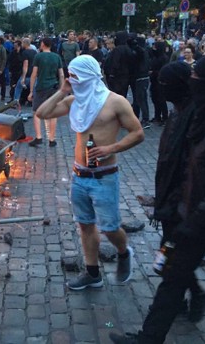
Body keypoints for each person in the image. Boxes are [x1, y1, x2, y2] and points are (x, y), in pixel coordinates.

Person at [110, 55, 205, 344]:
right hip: (196, 217)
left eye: (198, 81)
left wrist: (197, 217)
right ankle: (149, 338)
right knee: (172, 279)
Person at [36, 55, 144, 290]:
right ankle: (92, 273)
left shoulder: (115, 102)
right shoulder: (74, 101)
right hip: (79, 175)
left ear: (89, 75)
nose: (73, 80)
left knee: (109, 227)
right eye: (71, 75)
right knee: (85, 224)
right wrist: (62, 90)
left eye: (76, 76)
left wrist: (111, 148)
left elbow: (138, 133)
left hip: (104, 176)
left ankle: (124, 253)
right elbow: (42, 113)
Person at [152, 62, 205, 322]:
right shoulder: (178, 113)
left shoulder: (197, 115)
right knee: (173, 254)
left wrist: (177, 199)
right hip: (171, 199)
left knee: (172, 256)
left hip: (185, 202)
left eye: (166, 84)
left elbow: (191, 164)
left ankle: (187, 298)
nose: (162, 89)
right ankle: (188, 296)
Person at [27, 37, 64, 147]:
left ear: (43, 44)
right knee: (53, 113)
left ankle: (39, 137)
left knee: (37, 112)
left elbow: (34, 74)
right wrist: (61, 90)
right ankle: (52, 139)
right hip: (54, 87)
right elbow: (61, 74)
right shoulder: (57, 57)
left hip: (41, 87)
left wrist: (31, 91)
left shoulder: (38, 56)